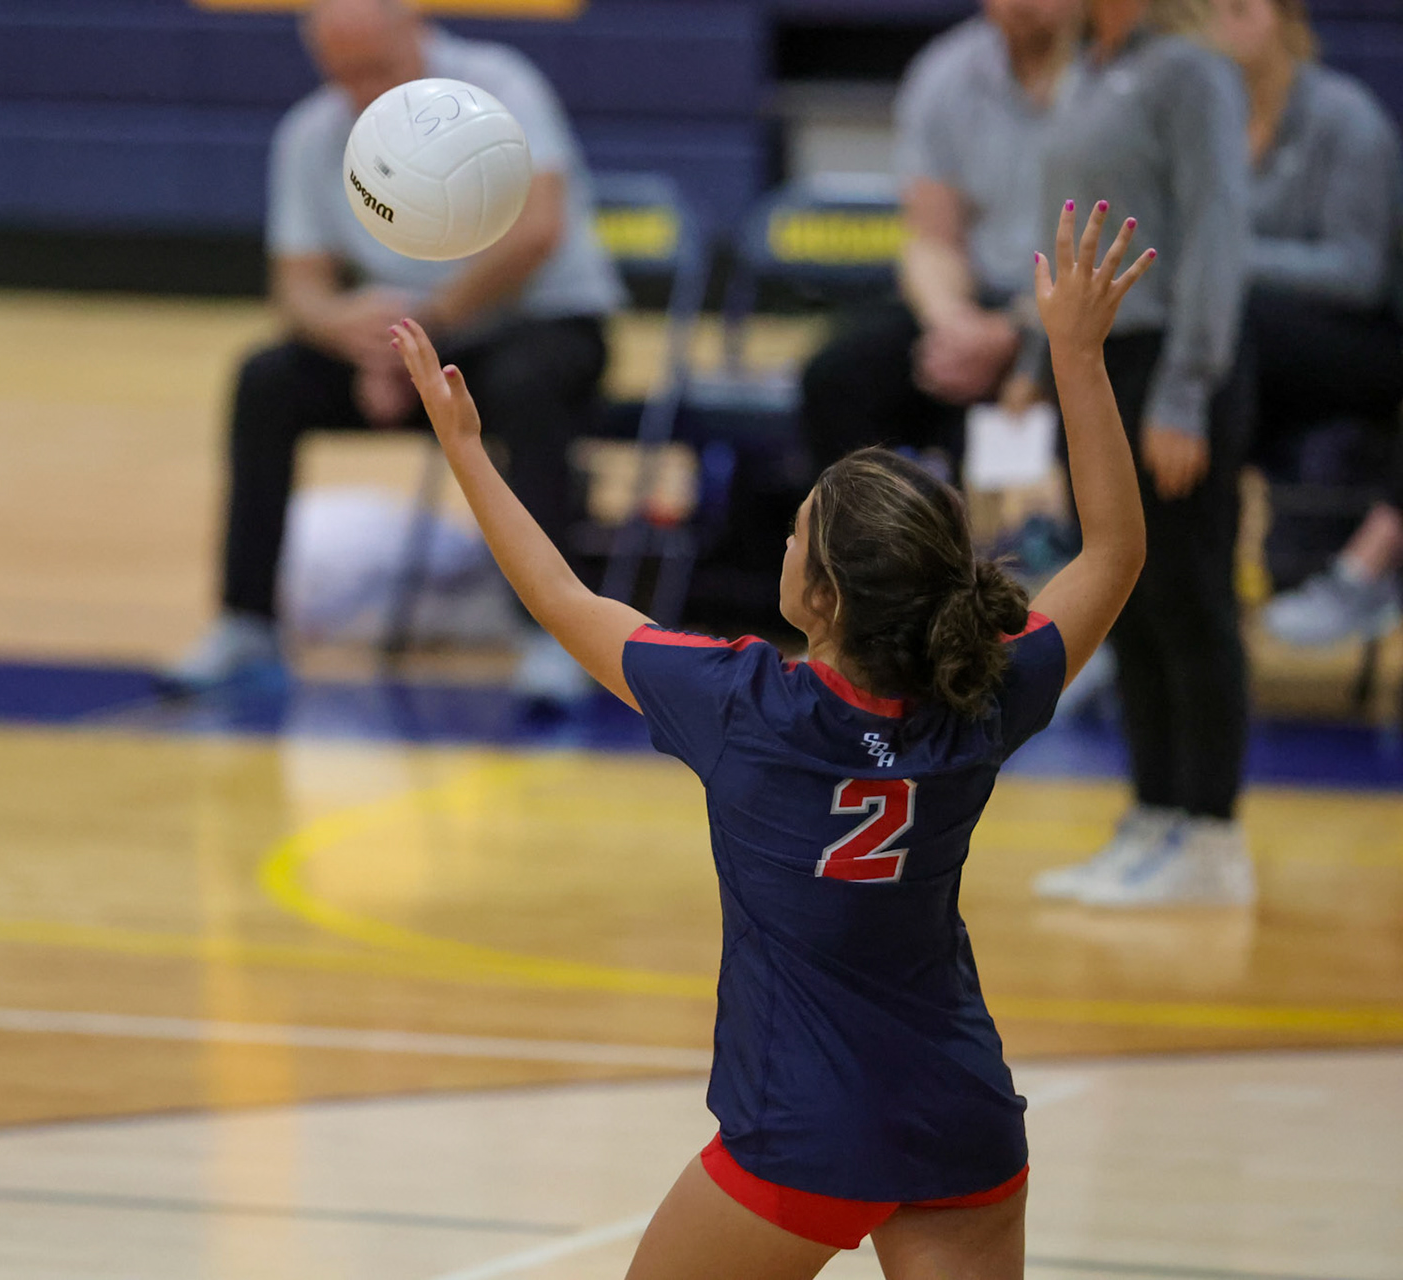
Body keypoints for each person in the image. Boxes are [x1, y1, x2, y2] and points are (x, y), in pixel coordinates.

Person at [391, 202, 1150, 1277]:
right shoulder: (983, 691)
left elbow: (561, 596)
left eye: (796, 534)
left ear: (821, 596)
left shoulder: (741, 706)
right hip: (962, 1122)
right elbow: (1113, 551)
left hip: (804, 1133)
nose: (785, 543)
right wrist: (1077, 353)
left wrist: (466, 448)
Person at [165, 0, 626, 705]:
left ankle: (553, 636)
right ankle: (246, 622)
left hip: (532, 322)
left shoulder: (500, 85)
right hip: (401, 342)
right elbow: (298, 289)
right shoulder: (312, 133)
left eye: (376, 69)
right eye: (342, 73)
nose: (361, 91)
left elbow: (537, 231)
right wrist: (348, 332)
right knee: (266, 380)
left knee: (527, 385)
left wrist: (426, 328)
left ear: (414, 27)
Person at [1026, 0, 1257, 908]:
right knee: (1130, 600)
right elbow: (1058, 229)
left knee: (1189, 596)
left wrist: (1187, 388)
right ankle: (1156, 814)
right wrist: (1033, 356)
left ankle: (1212, 834)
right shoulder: (1085, 67)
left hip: (1168, 363)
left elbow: (1216, 228)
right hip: (1097, 357)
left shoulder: (1191, 71)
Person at [798, 0, 1077, 473]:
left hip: (1079, 315)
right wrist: (954, 325)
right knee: (838, 377)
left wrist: (1017, 332)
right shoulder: (946, 73)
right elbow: (931, 239)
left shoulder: (1115, 80)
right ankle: (863, 522)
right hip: (974, 300)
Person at [1214, 0, 1403, 648]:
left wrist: (1231, 258)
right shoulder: (1211, 119)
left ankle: (1364, 573)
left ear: (1284, 15)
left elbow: (1360, 272)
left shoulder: (1347, 118)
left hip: (1366, 338)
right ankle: (1155, 583)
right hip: (1267, 341)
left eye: (1239, 7)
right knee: (1170, 342)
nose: (1220, 22)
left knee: (1230, 329)